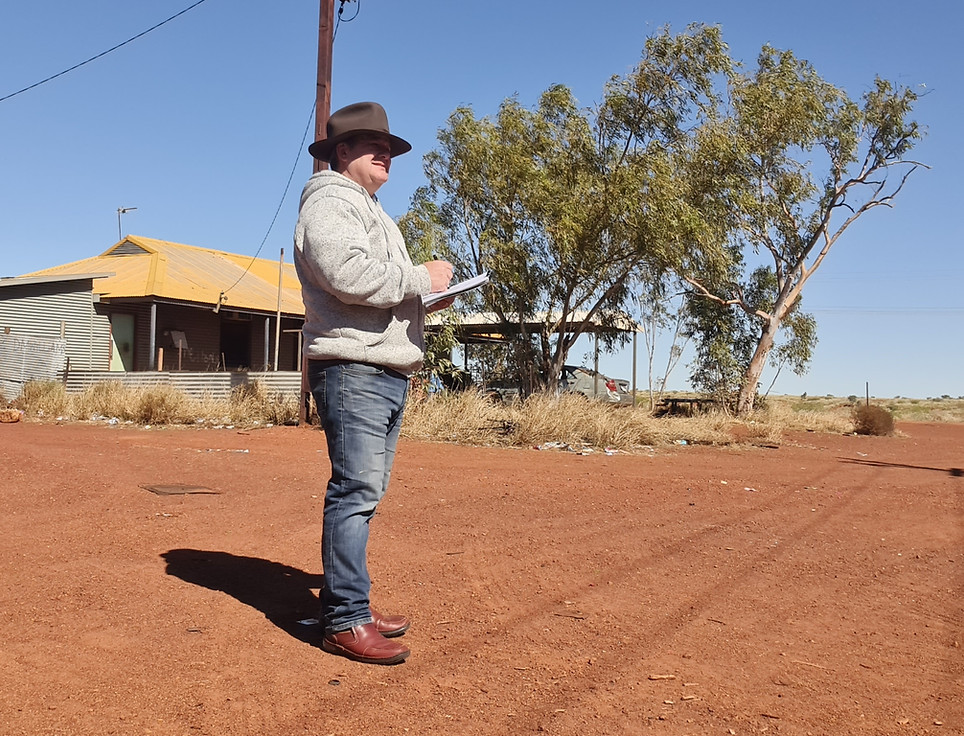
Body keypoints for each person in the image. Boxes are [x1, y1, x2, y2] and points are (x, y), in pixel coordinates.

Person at [294, 101, 454, 665]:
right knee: (355, 492)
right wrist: (420, 278)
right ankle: (344, 620)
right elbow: (345, 274)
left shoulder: (371, 208)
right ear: (342, 152)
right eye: (372, 145)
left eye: (389, 146)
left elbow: (372, 283)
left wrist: (428, 295)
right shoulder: (331, 200)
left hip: (380, 366)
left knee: (366, 493)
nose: (386, 153)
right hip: (354, 368)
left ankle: (352, 603)